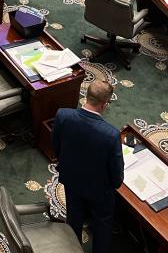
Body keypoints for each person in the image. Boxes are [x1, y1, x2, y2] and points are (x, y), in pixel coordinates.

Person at [53, 80, 122, 253]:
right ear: (105, 104)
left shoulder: (63, 115)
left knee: (74, 216)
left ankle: (73, 247)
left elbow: (56, 147)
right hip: (99, 192)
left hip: (71, 179)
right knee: (103, 223)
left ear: (86, 96)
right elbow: (116, 179)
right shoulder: (111, 135)